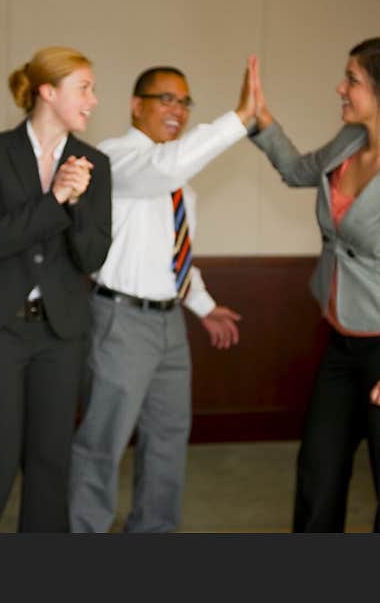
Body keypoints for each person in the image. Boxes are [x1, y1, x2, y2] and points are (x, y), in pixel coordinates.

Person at [247, 37, 380, 532]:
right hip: (343, 342)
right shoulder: (349, 144)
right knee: (318, 474)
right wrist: (260, 121)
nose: (340, 89)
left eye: (352, 80)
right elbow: (298, 170)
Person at [69, 62, 255, 532]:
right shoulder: (116, 158)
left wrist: (206, 308)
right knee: (102, 441)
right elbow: (164, 167)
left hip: (171, 324)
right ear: (137, 106)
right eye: (166, 99)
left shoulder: (178, 183)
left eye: (185, 101)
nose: (178, 110)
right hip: (121, 320)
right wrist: (239, 118)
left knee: (168, 439)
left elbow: (174, 260)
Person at [0, 47, 111, 532]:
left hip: (61, 334)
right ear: (48, 90)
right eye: (84, 87)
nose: (94, 100)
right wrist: (56, 197)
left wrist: (77, 203)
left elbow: (92, 257)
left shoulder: (94, 162)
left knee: (50, 467)